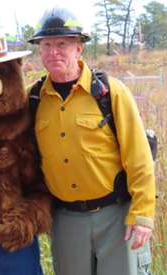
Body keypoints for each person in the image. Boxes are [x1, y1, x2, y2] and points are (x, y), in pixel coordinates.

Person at [28, 7, 156, 275]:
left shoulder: (110, 92)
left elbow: (139, 156)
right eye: (47, 45)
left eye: (62, 43)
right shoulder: (34, 100)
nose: (53, 51)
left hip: (116, 217)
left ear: (79, 48)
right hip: (65, 220)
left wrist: (142, 215)